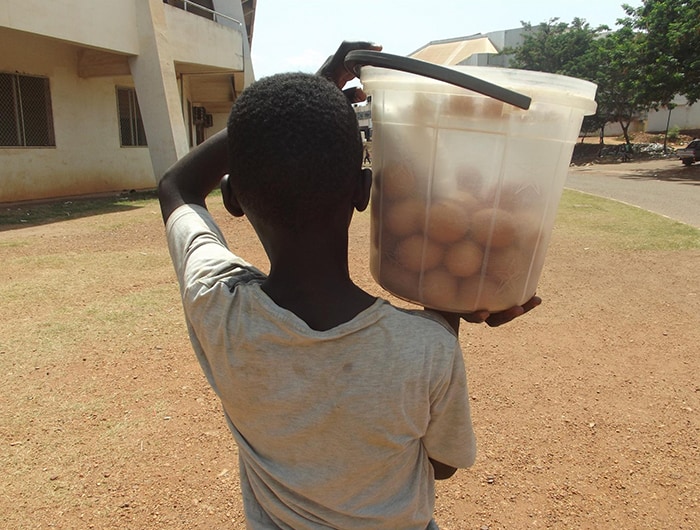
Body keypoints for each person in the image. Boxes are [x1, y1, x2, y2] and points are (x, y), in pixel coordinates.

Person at [158, 41, 540, 529]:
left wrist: (302, 100)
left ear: (233, 198)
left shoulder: (216, 308)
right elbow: (440, 466)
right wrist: (450, 301)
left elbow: (178, 186)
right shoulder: (425, 349)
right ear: (364, 193)